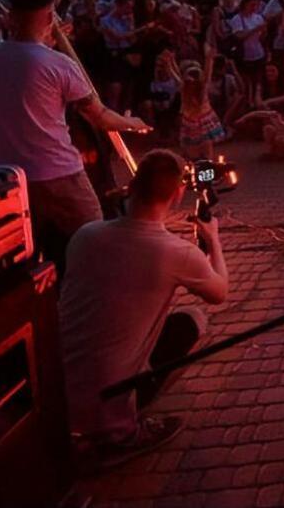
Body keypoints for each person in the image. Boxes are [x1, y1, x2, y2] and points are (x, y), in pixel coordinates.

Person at [59, 149, 228, 468]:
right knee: (195, 319)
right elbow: (220, 292)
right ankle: (123, 432)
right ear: (178, 194)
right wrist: (213, 241)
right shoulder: (174, 252)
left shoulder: (85, 235)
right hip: (107, 406)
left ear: (132, 186)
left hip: (56, 399)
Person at [0, 0, 150, 268]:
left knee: (27, 259)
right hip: (59, 174)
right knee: (94, 247)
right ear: (49, 17)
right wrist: (133, 123)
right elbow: (100, 116)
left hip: (10, 178)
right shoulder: (58, 64)